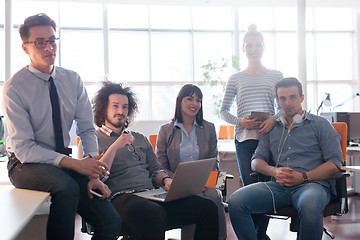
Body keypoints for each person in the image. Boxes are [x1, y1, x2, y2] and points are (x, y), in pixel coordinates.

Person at [1, 13, 121, 240]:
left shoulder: (72, 80)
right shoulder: (14, 88)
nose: (49, 47)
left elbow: (86, 128)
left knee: (111, 222)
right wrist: (76, 165)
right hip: (24, 163)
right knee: (66, 188)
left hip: (60, 162)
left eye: (52, 40)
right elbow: (25, 149)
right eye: (40, 42)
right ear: (26, 48)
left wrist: (93, 170)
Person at [91, 80, 219, 240]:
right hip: (120, 197)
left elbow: (155, 169)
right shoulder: (93, 139)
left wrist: (166, 180)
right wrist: (115, 146)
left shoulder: (140, 138)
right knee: (154, 213)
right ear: (104, 108)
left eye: (125, 107)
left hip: (151, 194)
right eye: (115, 106)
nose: (121, 111)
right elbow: (96, 178)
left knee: (207, 207)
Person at [228, 77, 344, 240]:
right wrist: (274, 171)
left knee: (309, 205)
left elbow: (335, 164)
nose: (287, 103)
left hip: (312, 185)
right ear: (277, 100)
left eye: (292, 97)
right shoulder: (272, 128)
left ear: (301, 98)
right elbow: (255, 161)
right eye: (282, 98)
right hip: (278, 186)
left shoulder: (320, 124)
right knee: (236, 201)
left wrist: (302, 177)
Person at [220, 24, 283, 239]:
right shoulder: (235, 78)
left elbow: (283, 107)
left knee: (265, 190)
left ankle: (258, 235)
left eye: (257, 45)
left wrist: (274, 119)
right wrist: (240, 121)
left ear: (263, 47)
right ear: (244, 49)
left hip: (270, 139)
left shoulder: (276, 75)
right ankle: (257, 236)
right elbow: (223, 111)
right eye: (249, 45)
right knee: (250, 188)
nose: (253, 49)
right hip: (245, 139)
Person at [156, 84, 227, 240]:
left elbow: (214, 162)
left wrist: (207, 182)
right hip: (176, 184)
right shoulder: (165, 130)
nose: (194, 103)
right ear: (180, 101)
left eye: (198, 100)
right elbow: (160, 166)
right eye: (190, 98)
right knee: (196, 199)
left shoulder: (209, 128)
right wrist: (182, 183)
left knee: (214, 196)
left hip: (205, 182)